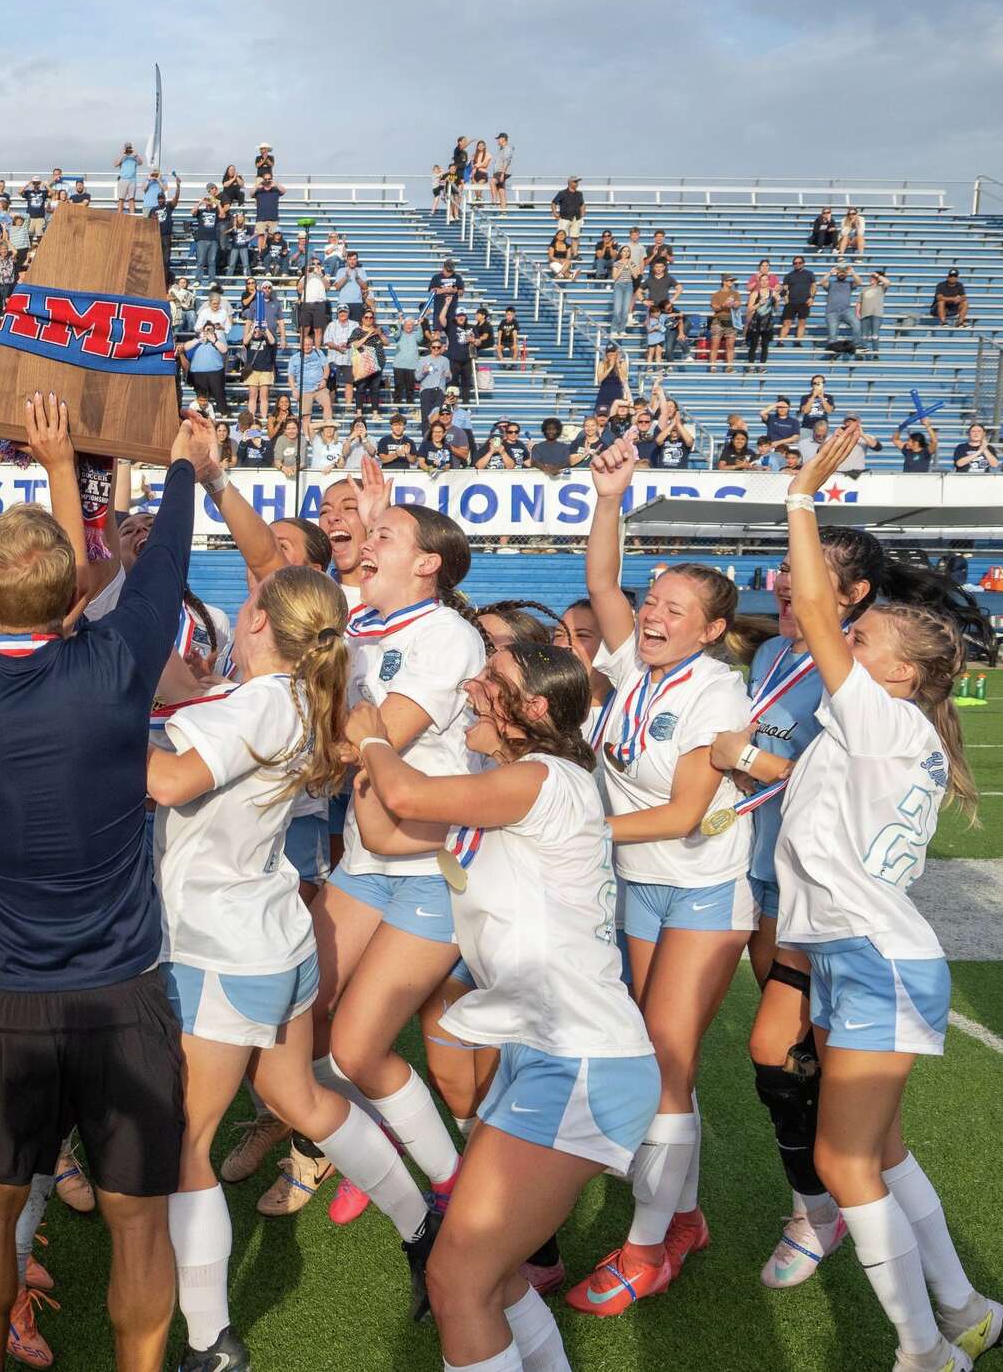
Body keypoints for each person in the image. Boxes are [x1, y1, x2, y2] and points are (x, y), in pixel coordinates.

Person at [0, 394, 201, 1372]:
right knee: (138, 1224)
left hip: (1, 1001)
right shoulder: (113, 665)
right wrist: (183, 466)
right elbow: (163, 565)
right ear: (73, 599)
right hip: (121, 995)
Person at [152, 568, 440, 1372]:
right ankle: (423, 1227)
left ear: (257, 625)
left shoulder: (259, 703)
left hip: (218, 942)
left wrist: (91, 722)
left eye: (248, 610)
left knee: (189, 1142)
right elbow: (198, 705)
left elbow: (170, 779)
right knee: (296, 1094)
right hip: (275, 934)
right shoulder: (304, 695)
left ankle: (211, 1343)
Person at [758, 422, 1001, 1372]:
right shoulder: (884, 728)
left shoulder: (883, 717)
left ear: (897, 672)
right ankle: (965, 1307)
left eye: (863, 641)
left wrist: (801, 501)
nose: (842, 646)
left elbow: (817, 613)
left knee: (843, 1162)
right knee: (883, 1151)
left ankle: (923, 1351)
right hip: (857, 952)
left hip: (872, 958)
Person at [349, 641, 659, 1372]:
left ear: (536, 709)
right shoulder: (506, 790)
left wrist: (371, 737)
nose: (473, 686)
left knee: (457, 1281)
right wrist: (355, 752)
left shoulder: (544, 778)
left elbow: (407, 797)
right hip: (545, 1053)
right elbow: (382, 828)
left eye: (493, 680)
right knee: (495, 1274)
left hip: (583, 1059)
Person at [564, 437, 754, 1317]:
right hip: (638, 883)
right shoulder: (630, 662)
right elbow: (603, 585)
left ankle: (648, 1248)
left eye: (676, 608)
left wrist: (572, 827)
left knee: (667, 1061)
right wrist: (610, 498)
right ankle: (683, 1216)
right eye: (654, 599)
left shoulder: (715, 691)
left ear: (712, 629)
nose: (652, 612)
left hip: (703, 886)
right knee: (652, 1056)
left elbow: (683, 814)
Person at [304, 459, 483, 1225]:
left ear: (430, 564)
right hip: (369, 858)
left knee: (355, 1047)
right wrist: (376, 518)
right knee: (303, 1014)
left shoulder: (445, 635)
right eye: (366, 535)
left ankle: (452, 1189)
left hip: (431, 869)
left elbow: (380, 740)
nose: (364, 544)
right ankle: (389, 1142)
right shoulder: (368, 625)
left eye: (385, 537)